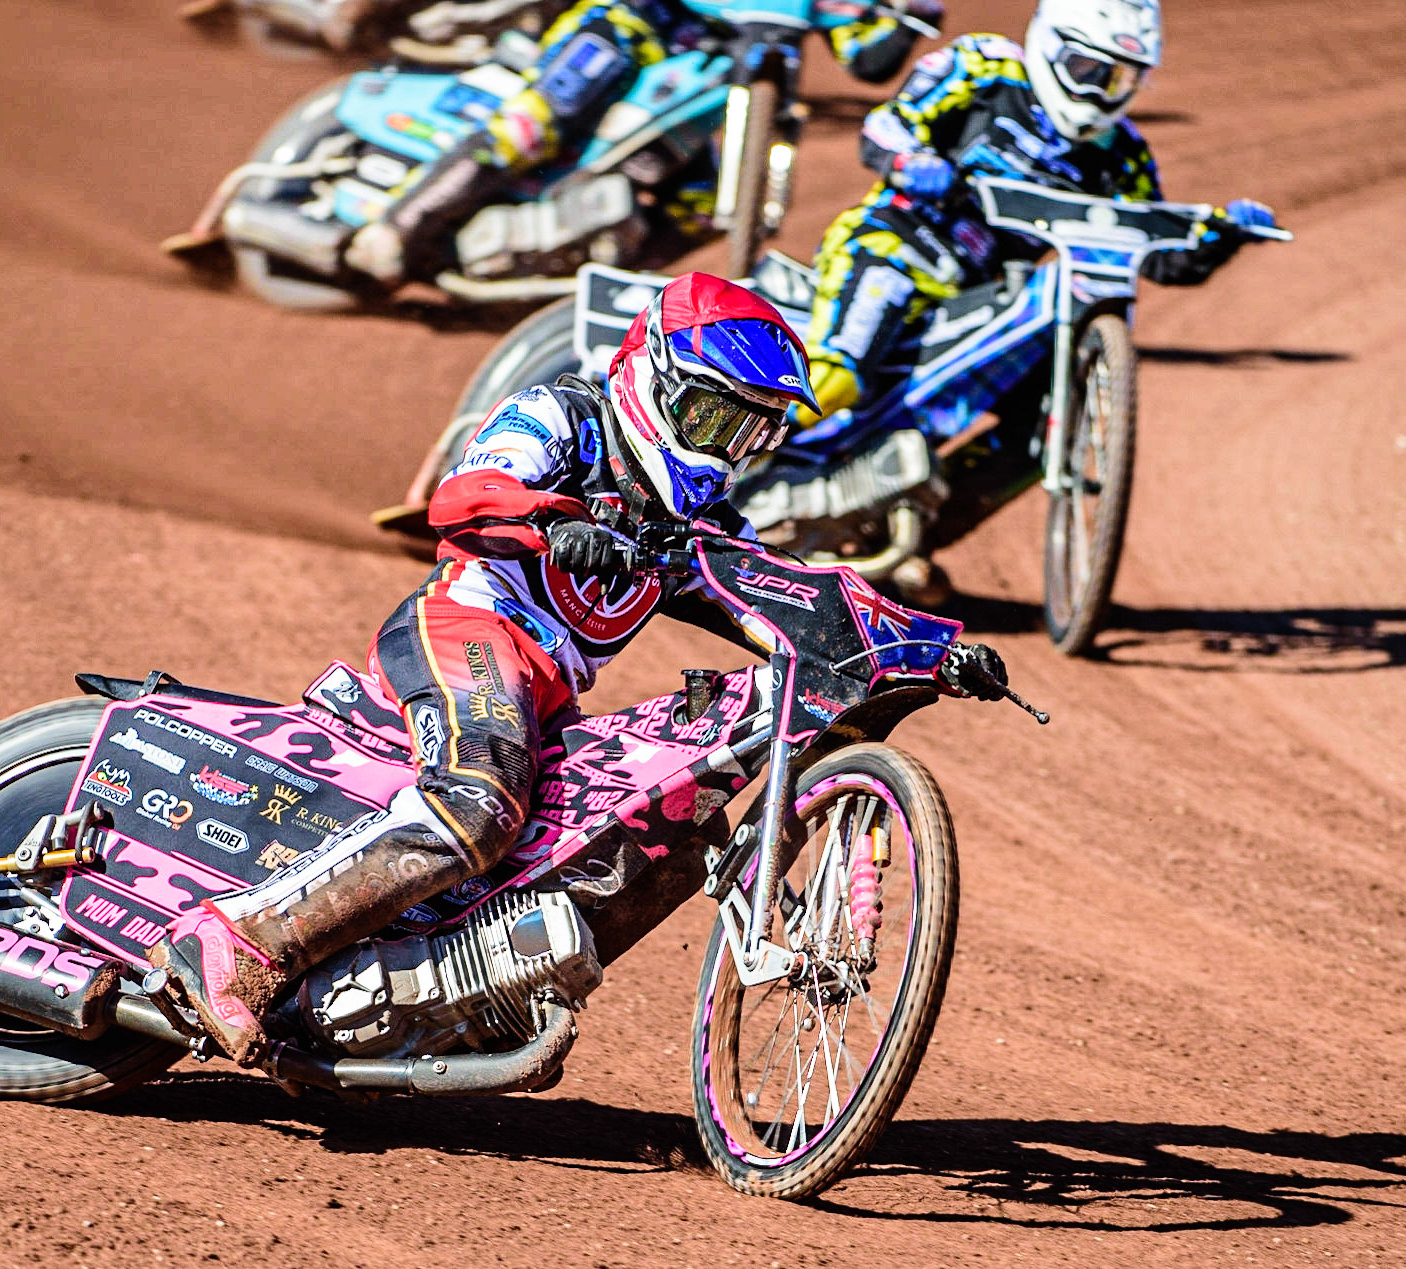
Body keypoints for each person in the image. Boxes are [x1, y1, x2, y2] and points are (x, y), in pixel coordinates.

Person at [150, 273, 1004, 1063]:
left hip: (545, 692)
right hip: (467, 626)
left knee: (668, 824)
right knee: (480, 800)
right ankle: (236, 938)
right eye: (716, 418)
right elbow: (462, 494)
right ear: (659, 380)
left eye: (750, 432)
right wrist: (552, 522)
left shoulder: (698, 522)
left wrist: (931, 647)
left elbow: (797, 596)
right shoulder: (568, 416)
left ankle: (445, 1002)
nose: (727, 449)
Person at [794, 0, 1275, 594]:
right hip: (894, 246)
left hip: (990, 296)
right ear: (1051, 46)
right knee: (838, 375)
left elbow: (1158, 254)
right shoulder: (983, 66)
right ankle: (706, 475)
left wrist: (1218, 237)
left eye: (1122, 77)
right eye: (1088, 69)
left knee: (1041, 430)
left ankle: (895, 540)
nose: (1101, 91)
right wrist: (910, 161)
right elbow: (886, 126)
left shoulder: (1121, 152)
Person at [344, 0, 947, 286]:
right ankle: (398, 224)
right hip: (638, 23)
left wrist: (913, 12)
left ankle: (587, 276)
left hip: (720, 81)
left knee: (702, 206)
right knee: (539, 121)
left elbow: (868, 60)